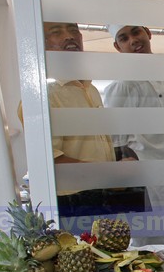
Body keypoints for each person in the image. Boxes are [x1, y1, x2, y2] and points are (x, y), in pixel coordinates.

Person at [104, 24, 164, 261]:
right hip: (150, 186)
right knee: (156, 249)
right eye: (124, 38)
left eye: (136, 33)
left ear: (148, 34)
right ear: (117, 47)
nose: (133, 41)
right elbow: (116, 143)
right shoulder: (121, 86)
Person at [38, 22, 123, 221]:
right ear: (44, 44)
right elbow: (52, 158)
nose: (69, 36)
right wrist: (107, 173)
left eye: (74, 30)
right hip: (73, 200)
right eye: (57, 32)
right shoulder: (45, 96)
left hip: (103, 193)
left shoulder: (90, 89)